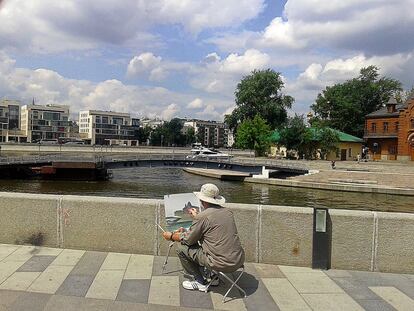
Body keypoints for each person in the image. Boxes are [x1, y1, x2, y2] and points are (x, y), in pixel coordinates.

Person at [162, 183, 245, 292]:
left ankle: (199, 281)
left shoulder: (202, 217)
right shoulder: (228, 212)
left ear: (203, 201)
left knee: (181, 247)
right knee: (212, 246)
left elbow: (188, 240)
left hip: (219, 263)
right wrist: (197, 218)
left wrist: (171, 236)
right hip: (238, 260)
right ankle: (213, 277)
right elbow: (211, 227)